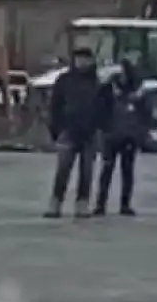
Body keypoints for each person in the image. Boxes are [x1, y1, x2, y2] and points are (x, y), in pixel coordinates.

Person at [43, 47, 105, 218]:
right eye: (79, 59)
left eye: (85, 59)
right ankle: (55, 202)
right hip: (68, 131)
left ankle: (82, 204)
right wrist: (56, 129)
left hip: (90, 133)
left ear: (91, 61)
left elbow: (105, 107)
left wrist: (101, 128)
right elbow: (55, 106)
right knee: (63, 169)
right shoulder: (64, 80)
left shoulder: (97, 82)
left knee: (87, 172)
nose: (82, 62)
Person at [93, 58, 148, 216]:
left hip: (129, 136)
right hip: (111, 135)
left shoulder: (138, 90)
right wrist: (104, 128)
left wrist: (140, 133)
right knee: (107, 169)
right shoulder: (108, 89)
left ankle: (125, 204)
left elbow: (145, 114)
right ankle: (100, 203)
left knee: (127, 171)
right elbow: (99, 107)